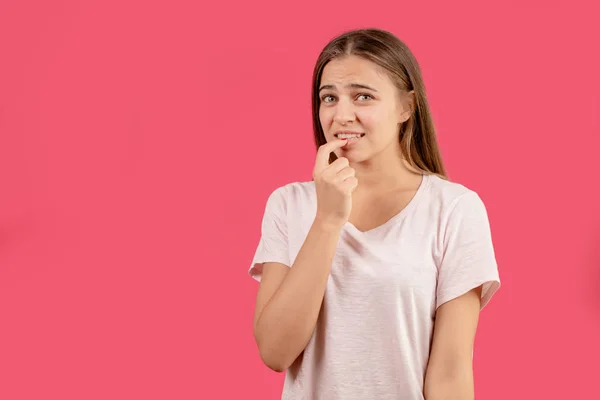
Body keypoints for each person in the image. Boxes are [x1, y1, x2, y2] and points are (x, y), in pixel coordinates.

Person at [247, 27, 501, 400]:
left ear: (405, 107)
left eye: (363, 96)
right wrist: (328, 221)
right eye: (328, 98)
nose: (342, 114)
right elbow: (275, 351)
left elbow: (451, 372)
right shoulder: (289, 205)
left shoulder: (454, 209)